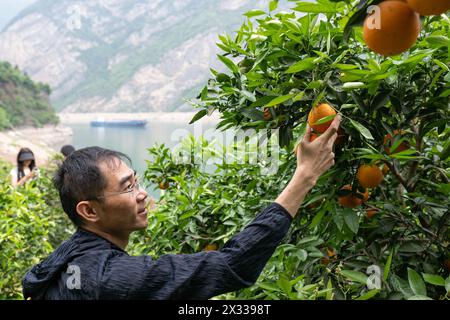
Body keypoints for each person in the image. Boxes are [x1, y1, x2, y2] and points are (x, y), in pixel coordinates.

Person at [22, 116, 341, 300]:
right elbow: (232, 266)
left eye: (137, 181)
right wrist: (305, 175)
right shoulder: (111, 279)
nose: (142, 194)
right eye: (127, 187)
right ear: (88, 211)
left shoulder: (66, 257)